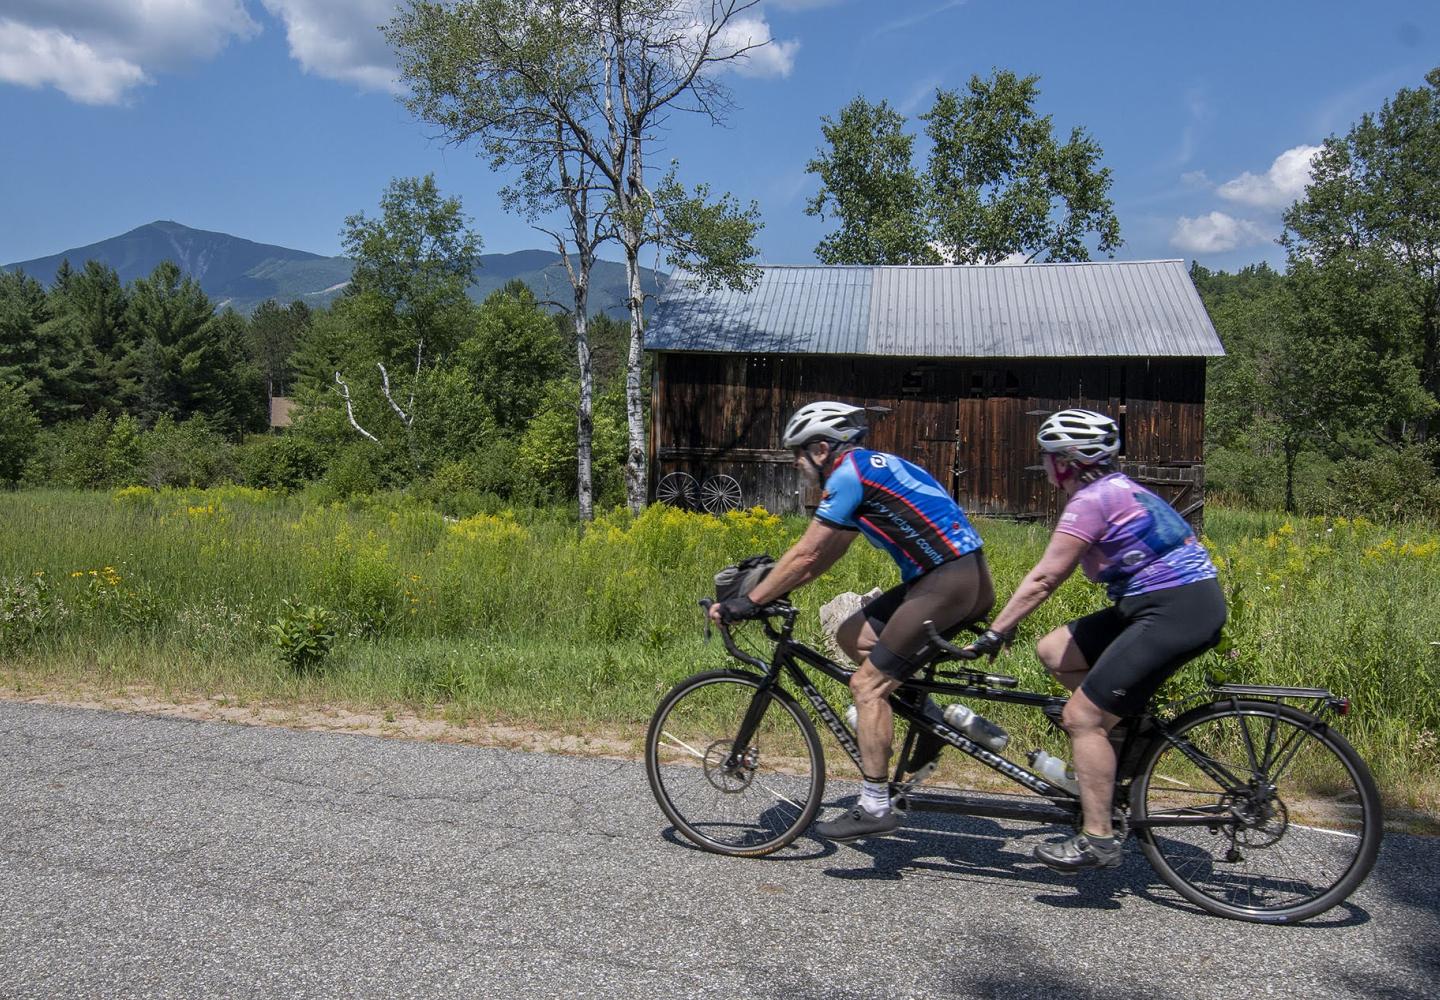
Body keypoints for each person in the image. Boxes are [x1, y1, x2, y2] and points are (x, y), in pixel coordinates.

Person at [709, 401, 994, 842]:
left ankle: (874, 804)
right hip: (963, 576)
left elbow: (805, 552)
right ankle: (933, 722)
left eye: (798, 454)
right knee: (852, 634)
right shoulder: (868, 469)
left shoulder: (846, 476)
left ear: (822, 449)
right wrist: (774, 592)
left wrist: (746, 602)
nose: (796, 465)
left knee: (867, 685)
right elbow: (823, 555)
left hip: (944, 583)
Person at [962, 408, 1226, 872]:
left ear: (1066, 461)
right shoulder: (1116, 490)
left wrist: (995, 631)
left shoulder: (1091, 501)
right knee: (1054, 651)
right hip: (1162, 603)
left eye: (1047, 457)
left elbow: (1045, 579)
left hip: (1173, 610)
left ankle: (1098, 839)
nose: (1043, 466)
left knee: (1081, 717)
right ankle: (1124, 736)